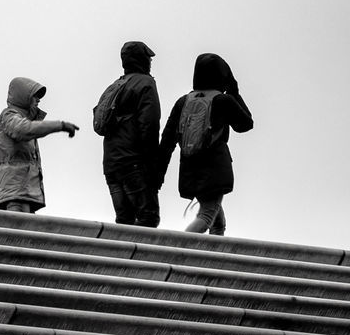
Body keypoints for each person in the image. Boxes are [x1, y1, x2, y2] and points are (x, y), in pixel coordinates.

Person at [157, 52, 254, 235]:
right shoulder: (222, 100)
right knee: (207, 215)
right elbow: (246, 124)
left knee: (218, 221)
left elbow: (167, 141)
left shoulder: (183, 101)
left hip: (189, 169)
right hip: (215, 169)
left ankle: (210, 258)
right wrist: (235, 92)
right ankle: (178, 248)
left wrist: (158, 174)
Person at [94, 41, 162, 227]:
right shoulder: (145, 84)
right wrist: (153, 166)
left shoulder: (115, 86)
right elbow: (149, 125)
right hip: (134, 164)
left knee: (124, 220)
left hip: (111, 165)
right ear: (142, 60)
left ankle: (118, 256)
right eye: (148, 57)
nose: (150, 61)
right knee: (148, 218)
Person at [0, 77, 78, 214]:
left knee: (27, 232)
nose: (38, 100)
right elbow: (23, 130)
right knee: (20, 232)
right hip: (15, 191)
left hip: (24, 190)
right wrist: (59, 125)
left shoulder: (22, 119)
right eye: (34, 96)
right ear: (23, 97)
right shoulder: (9, 116)